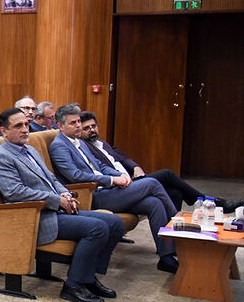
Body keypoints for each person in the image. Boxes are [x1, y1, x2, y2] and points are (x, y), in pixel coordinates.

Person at [0, 108, 124, 302]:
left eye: (26, 124)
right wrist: (56, 200)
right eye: (18, 126)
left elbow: (52, 179)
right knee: (98, 228)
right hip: (36, 217)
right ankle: (73, 286)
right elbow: (15, 193)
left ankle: (88, 277)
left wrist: (66, 195)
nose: (25, 129)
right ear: (4, 131)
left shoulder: (30, 150)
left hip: (55, 209)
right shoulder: (1, 156)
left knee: (115, 223)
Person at [48, 104, 179, 273]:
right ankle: (179, 226)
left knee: (153, 203)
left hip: (107, 190)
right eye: (73, 123)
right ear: (60, 126)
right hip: (92, 194)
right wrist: (111, 180)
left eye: (79, 121)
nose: (78, 126)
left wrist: (120, 175)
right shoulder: (59, 146)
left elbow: (100, 165)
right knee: (152, 183)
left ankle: (167, 257)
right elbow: (75, 175)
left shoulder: (79, 142)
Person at [79, 110, 242, 211]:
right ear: (80, 132)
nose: (92, 130)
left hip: (132, 178)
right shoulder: (85, 148)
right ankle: (207, 201)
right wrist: (122, 177)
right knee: (167, 174)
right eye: (86, 128)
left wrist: (135, 167)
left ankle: (170, 240)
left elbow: (121, 156)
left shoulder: (103, 143)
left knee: (176, 193)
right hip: (121, 185)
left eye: (93, 126)